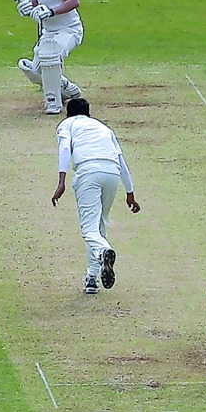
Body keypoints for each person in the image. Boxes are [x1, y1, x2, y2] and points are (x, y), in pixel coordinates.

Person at [50, 97, 140, 294]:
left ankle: (102, 253)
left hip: (88, 172)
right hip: (112, 173)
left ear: (68, 113)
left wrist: (61, 181)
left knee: (89, 230)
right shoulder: (103, 128)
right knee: (100, 225)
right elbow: (120, 159)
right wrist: (130, 192)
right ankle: (92, 278)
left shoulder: (67, 124)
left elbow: (65, 148)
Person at [15, 0, 84, 114]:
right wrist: (27, 6)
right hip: (50, 32)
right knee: (33, 70)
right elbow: (36, 1)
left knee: (50, 56)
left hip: (69, 29)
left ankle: (53, 103)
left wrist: (51, 11)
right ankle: (69, 89)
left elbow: (73, 1)